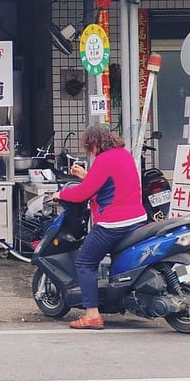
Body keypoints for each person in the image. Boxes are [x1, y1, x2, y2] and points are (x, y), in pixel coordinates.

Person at [52, 125, 147, 330]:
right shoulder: (123, 154)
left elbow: (82, 193)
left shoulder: (103, 160)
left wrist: (60, 195)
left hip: (113, 223)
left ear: (94, 143)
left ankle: (92, 314)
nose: (90, 151)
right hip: (137, 218)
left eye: (89, 147)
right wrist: (87, 175)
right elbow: (110, 184)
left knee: (85, 261)